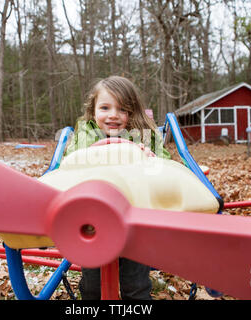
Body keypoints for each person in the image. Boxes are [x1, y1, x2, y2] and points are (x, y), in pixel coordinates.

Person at [64, 75, 171, 300]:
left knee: (136, 286)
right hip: (94, 222)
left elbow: (166, 168)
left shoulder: (145, 133)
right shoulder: (85, 132)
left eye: (122, 109)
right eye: (105, 107)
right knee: (93, 286)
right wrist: (94, 153)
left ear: (132, 112)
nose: (113, 115)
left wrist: (150, 158)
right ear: (93, 111)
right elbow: (73, 160)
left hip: (137, 221)